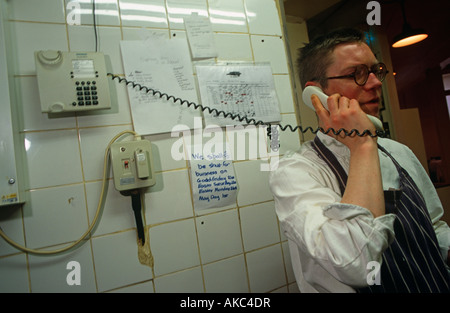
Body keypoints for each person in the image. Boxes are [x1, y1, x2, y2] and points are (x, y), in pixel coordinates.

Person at [269, 28, 450, 293]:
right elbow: (355, 263)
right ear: (316, 94)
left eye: (376, 71)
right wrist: (362, 143)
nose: (376, 82)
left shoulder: (398, 152)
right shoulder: (295, 171)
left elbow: (433, 226)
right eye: (357, 74)